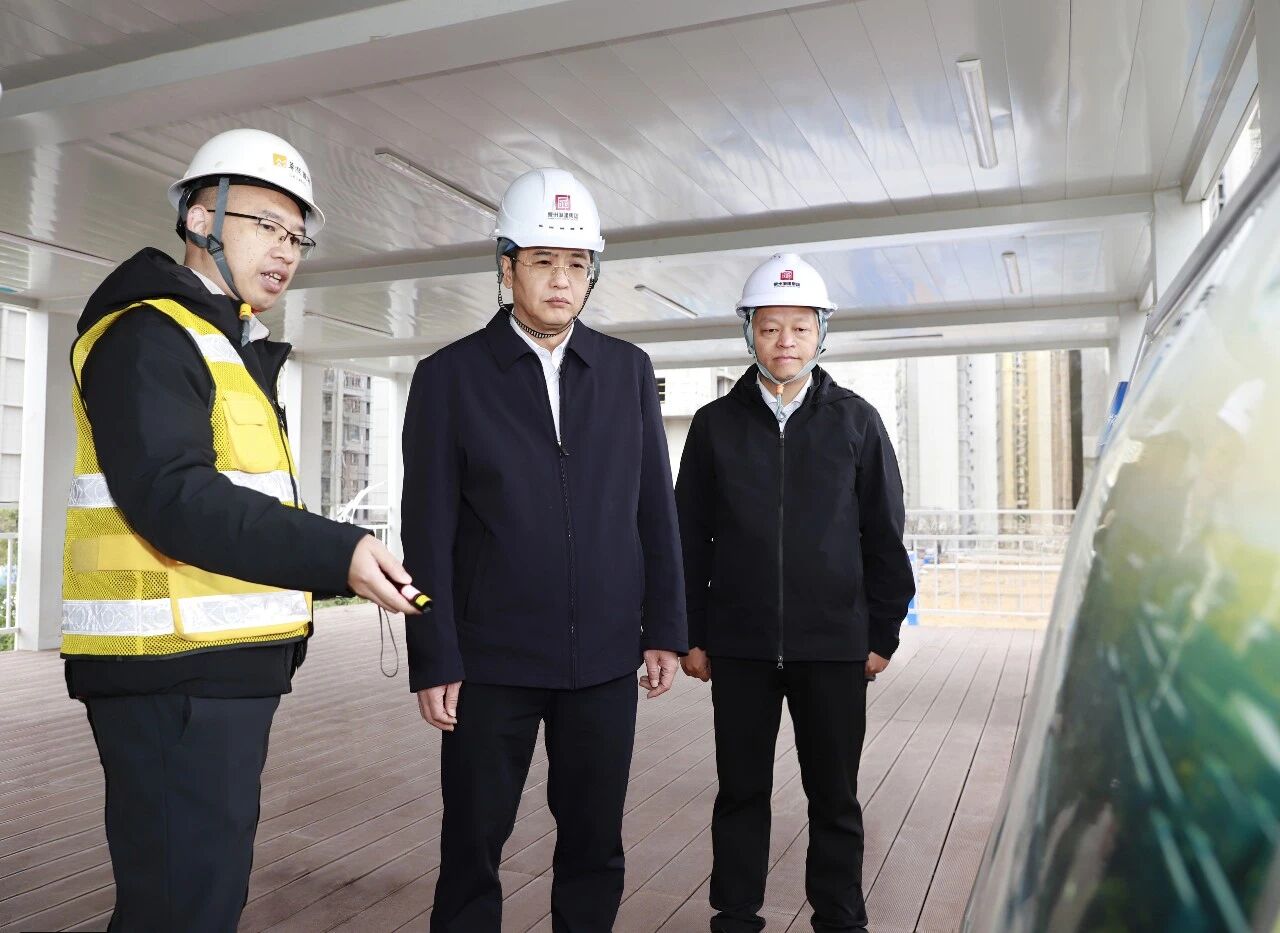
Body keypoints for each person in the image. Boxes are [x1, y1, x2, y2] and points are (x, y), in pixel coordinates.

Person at [61, 127, 422, 933]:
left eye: (297, 236)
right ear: (200, 217)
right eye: (266, 224)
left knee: (202, 898)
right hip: (168, 670)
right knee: (179, 908)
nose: (285, 250)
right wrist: (338, 550)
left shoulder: (226, 343)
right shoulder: (149, 335)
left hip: (212, 668)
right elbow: (174, 498)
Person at [401, 167, 687, 931]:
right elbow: (426, 528)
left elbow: (654, 509)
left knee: (595, 844)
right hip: (489, 661)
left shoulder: (627, 371)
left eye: (577, 264)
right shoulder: (448, 377)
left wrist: (664, 627)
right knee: (471, 845)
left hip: (604, 660)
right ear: (507, 268)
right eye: (543, 261)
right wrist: (435, 653)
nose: (562, 281)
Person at [675, 253, 915, 932]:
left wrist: (881, 634)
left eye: (800, 327)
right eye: (770, 327)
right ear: (749, 332)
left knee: (834, 797)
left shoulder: (857, 421)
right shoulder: (714, 425)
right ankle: (735, 917)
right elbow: (688, 538)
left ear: (821, 333)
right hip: (740, 646)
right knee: (740, 793)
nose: (785, 341)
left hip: (834, 646)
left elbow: (884, 535)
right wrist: (690, 631)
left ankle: (840, 919)